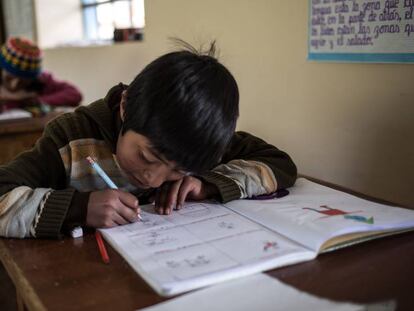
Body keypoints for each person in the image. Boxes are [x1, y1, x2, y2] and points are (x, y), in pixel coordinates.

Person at [0, 40, 297, 238]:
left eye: (177, 170)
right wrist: (79, 208)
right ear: (126, 107)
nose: (153, 181)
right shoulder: (71, 137)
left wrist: (206, 183)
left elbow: (279, 164)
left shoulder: (195, 142)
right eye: (146, 157)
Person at [0, 37, 82, 113]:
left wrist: (37, 101)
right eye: (9, 78)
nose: (14, 85)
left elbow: (75, 94)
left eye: (22, 81)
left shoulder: (43, 82)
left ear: (33, 78)